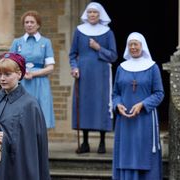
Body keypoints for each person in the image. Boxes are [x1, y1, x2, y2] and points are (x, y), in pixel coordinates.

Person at [0, 52, 50, 180]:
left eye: (7, 74)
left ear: (19, 74)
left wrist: (6, 138)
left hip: (17, 168)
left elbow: (32, 145)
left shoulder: (30, 105)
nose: (2, 78)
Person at [112, 32, 164, 179]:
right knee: (126, 152)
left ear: (142, 46)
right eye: (130, 44)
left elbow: (159, 93)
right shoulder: (121, 68)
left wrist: (143, 104)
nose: (133, 47)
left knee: (144, 151)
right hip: (125, 120)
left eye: (136, 44)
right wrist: (118, 105)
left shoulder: (152, 67)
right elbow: (115, 93)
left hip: (145, 119)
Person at [69, 2, 118, 154]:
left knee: (101, 104)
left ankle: (102, 142)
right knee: (84, 105)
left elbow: (113, 55)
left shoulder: (107, 32)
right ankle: (85, 142)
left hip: (101, 74)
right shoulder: (79, 31)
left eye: (95, 13)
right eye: (89, 12)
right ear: (86, 14)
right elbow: (72, 54)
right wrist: (74, 67)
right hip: (83, 74)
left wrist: (98, 48)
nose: (92, 15)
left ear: (100, 15)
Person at [10, 10, 55, 129]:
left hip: (40, 82)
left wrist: (34, 74)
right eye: (26, 22)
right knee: (21, 114)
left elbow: (50, 67)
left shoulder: (46, 42)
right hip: (22, 81)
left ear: (38, 24)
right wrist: (22, 73)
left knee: (40, 115)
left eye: (32, 22)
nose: (29, 24)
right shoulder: (17, 42)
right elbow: (10, 63)